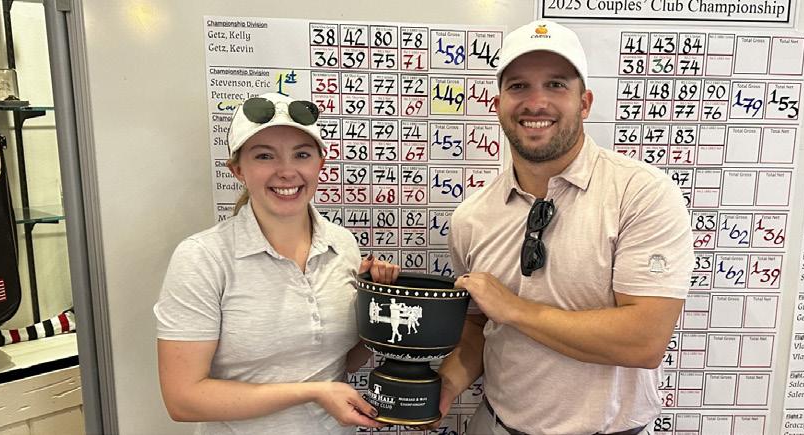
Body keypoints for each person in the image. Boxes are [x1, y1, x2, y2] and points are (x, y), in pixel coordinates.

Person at [433, 20, 692, 434]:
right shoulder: (472, 216)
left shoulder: (640, 193)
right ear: (498, 104)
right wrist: (445, 387)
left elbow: (645, 340)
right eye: (519, 86)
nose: (536, 103)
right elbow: (480, 324)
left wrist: (516, 309)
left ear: (584, 103)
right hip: (496, 425)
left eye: (555, 85)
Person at [154, 92, 400, 434]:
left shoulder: (342, 245)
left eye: (301, 154)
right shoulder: (203, 257)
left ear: (320, 164)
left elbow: (342, 360)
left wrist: (378, 305)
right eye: (264, 156)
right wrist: (312, 392)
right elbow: (183, 400)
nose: (286, 172)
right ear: (238, 170)